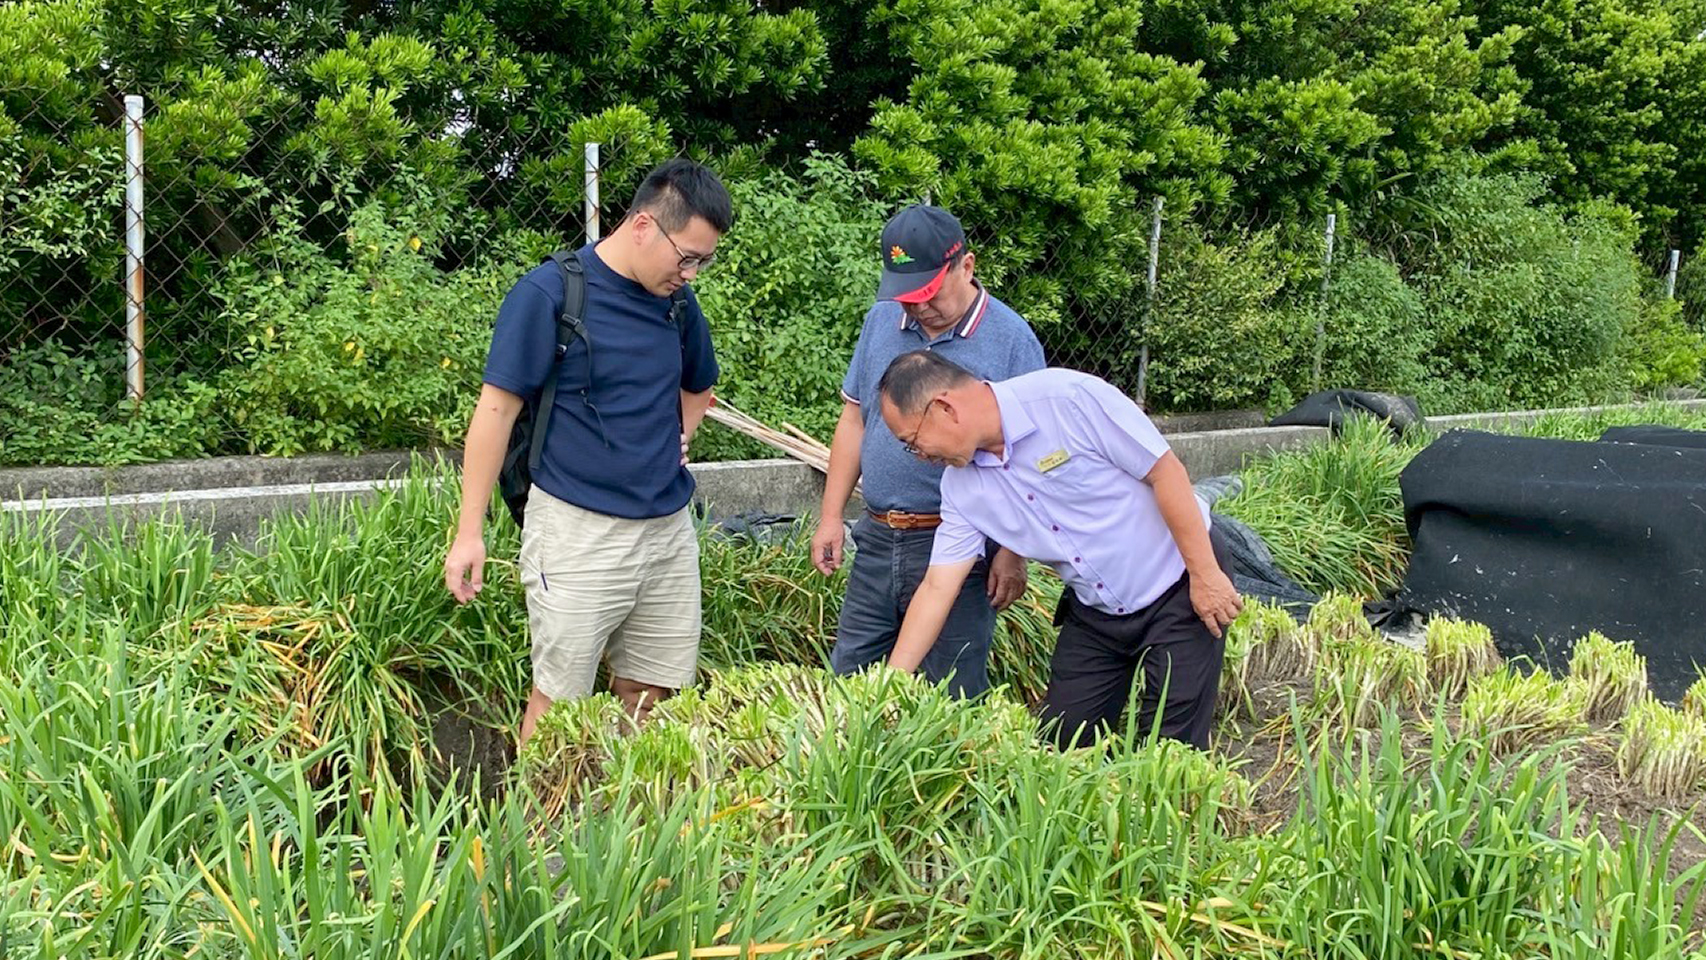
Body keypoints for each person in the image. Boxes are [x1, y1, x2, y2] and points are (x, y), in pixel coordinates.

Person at [444, 159, 731, 745]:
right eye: (687, 258)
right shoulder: (551, 293)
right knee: (559, 703)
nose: (691, 274)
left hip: (667, 533)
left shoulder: (677, 303)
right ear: (644, 225)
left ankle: (632, 804)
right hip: (576, 531)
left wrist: (679, 439)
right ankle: (538, 808)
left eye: (703, 262)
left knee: (651, 692)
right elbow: (496, 412)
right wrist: (469, 531)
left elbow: (699, 385)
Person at [875, 351, 1243, 750]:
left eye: (913, 443)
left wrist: (1205, 575)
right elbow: (937, 586)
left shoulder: (1068, 399)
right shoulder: (961, 487)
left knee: (1172, 746)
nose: (922, 457)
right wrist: (891, 685)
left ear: (944, 408)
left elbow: (1164, 471)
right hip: (1096, 610)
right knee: (1061, 742)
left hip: (1177, 582)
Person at [811, 204, 1046, 698]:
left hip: (960, 546)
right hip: (877, 537)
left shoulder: (1011, 340)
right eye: (907, 297)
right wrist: (831, 516)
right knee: (850, 680)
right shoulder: (881, 322)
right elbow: (854, 419)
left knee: (950, 691)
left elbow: (1028, 456)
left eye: (929, 293)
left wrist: (1012, 551)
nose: (918, 308)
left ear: (966, 266)